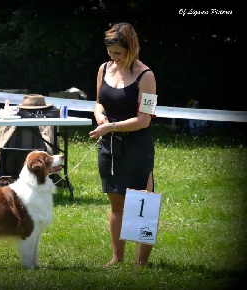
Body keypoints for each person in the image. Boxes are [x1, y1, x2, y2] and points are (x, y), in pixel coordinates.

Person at [89, 22, 156, 267]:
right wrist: (100, 117)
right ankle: (117, 257)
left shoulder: (146, 76)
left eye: (118, 53)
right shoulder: (104, 68)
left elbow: (144, 119)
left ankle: (142, 262)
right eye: (110, 53)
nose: (113, 58)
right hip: (109, 145)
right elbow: (98, 102)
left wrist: (112, 127)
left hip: (137, 145)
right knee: (116, 203)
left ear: (132, 49)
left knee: (142, 202)